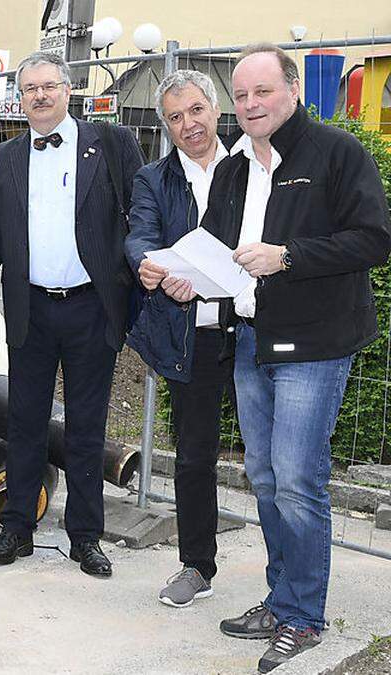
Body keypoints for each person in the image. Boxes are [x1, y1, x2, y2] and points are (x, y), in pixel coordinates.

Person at [200, 43, 391, 673]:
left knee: (297, 479)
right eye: (243, 95)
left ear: (294, 91)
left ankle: (304, 616)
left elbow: (373, 239)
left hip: (313, 343)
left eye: (263, 92)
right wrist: (188, 274)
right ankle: (282, 600)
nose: (251, 105)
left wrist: (288, 256)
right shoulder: (232, 169)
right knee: (264, 477)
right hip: (251, 341)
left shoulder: (338, 153)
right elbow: (216, 245)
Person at [0, 51, 142, 577]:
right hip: (30, 306)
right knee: (26, 420)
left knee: (86, 426)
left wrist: (137, 275)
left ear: (68, 90)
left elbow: (139, 215)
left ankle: (86, 537)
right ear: (20, 97)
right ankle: (17, 527)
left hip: (91, 306)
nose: (39, 95)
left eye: (49, 86)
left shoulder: (110, 145)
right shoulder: (10, 157)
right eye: (29, 88)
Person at [124, 69, 234, 607]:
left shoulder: (252, 168)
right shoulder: (154, 178)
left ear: (216, 109)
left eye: (195, 111)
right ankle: (197, 566)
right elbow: (141, 234)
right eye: (173, 118)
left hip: (255, 332)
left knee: (273, 462)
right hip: (195, 338)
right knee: (193, 459)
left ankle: (289, 582)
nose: (187, 124)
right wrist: (147, 264)